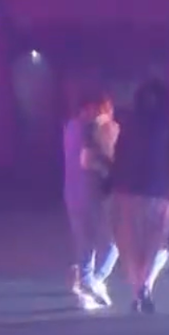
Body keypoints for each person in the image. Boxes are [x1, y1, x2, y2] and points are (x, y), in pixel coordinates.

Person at [108, 79, 169, 314]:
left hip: (129, 190)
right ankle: (145, 286)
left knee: (131, 244)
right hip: (160, 191)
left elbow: (117, 157)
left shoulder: (127, 125)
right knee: (159, 244)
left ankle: (139, 288)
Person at [62, 90, 118, 309]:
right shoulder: (90, 129)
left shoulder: (70, 127)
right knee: (112, 242)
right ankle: (92, 281)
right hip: (91, 192)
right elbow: (87, 161)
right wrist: (108, 168)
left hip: (72, 191)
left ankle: (87, 285)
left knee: (85, 242)